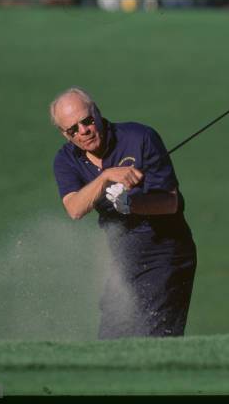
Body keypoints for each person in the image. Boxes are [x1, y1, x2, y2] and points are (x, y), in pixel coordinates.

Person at [50, 87, 197, 339]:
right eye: (73, 129)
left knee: (155, 339)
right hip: (124, 258)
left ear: (97, 112)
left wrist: (133, 204)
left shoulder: (139, 137)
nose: (83, 131)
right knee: (112, 339)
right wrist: (106, 177)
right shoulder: (65, 160)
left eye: (87, 121)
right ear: (65, 134)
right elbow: (74, 208)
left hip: (165, 254)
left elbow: (170, 202)